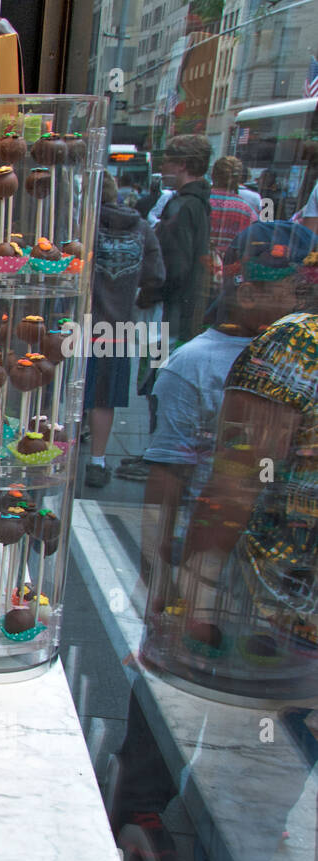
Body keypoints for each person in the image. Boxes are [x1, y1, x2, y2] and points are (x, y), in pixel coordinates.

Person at [139, 222, 316, 586]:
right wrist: (157, 574)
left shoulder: (305, 351)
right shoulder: (192, 364)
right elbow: (167, 477)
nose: (308, 302)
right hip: (207, 556)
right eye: (299, 290)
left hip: (278, 564)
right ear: (249, 295)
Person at [83, 174, 164, 488]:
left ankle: (57, 450)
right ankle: (97, 462)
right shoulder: (142, 228)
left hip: (78, 322)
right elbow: (156, 275)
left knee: (66, 391)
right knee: (103, 398)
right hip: (117, 327)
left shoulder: (83, 226)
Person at [135, 135, 213, 436]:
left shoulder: (183, 205)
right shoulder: (197, 202)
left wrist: (150, 291)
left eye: (167, 160)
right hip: (184, 308)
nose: (162, 166)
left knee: (160, 378)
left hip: (170, 311)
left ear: (182, 164)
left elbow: (174, 267)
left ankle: (158, 451)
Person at [208, 156, 255, 265]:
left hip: (201, 265)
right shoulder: (246, 208)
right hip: (230, 267)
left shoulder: (202, 201)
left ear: (213, 175)